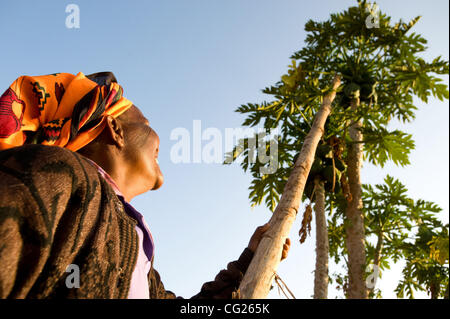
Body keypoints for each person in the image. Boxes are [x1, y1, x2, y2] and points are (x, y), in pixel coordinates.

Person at [0, 71, 290, 299]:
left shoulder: (136, 247)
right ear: (115, 130)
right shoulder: (58, 173)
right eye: (146, 123)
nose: (157, 138)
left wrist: (249, 260)